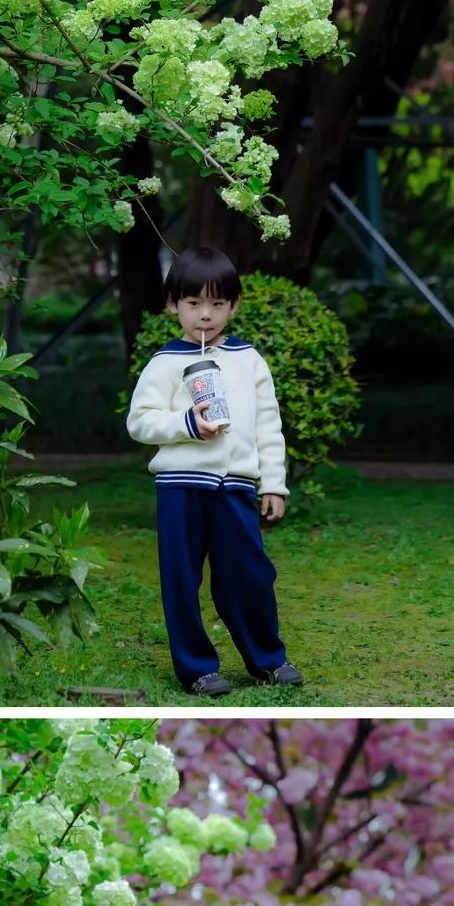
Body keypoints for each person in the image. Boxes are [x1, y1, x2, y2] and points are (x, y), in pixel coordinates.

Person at [126, 246, 303, 697]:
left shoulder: (250, 361)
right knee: (182, 580)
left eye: (217, 304)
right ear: (172, 304)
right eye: (193, 303)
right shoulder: (164, 363)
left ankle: (267, 660)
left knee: (250, 576)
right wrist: (188, 425)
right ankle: (197, 668)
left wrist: (274, 484)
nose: (205, 315)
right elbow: (140, 422)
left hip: (236, 488)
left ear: (234, 305)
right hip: (180, 488)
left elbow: (268, 426)